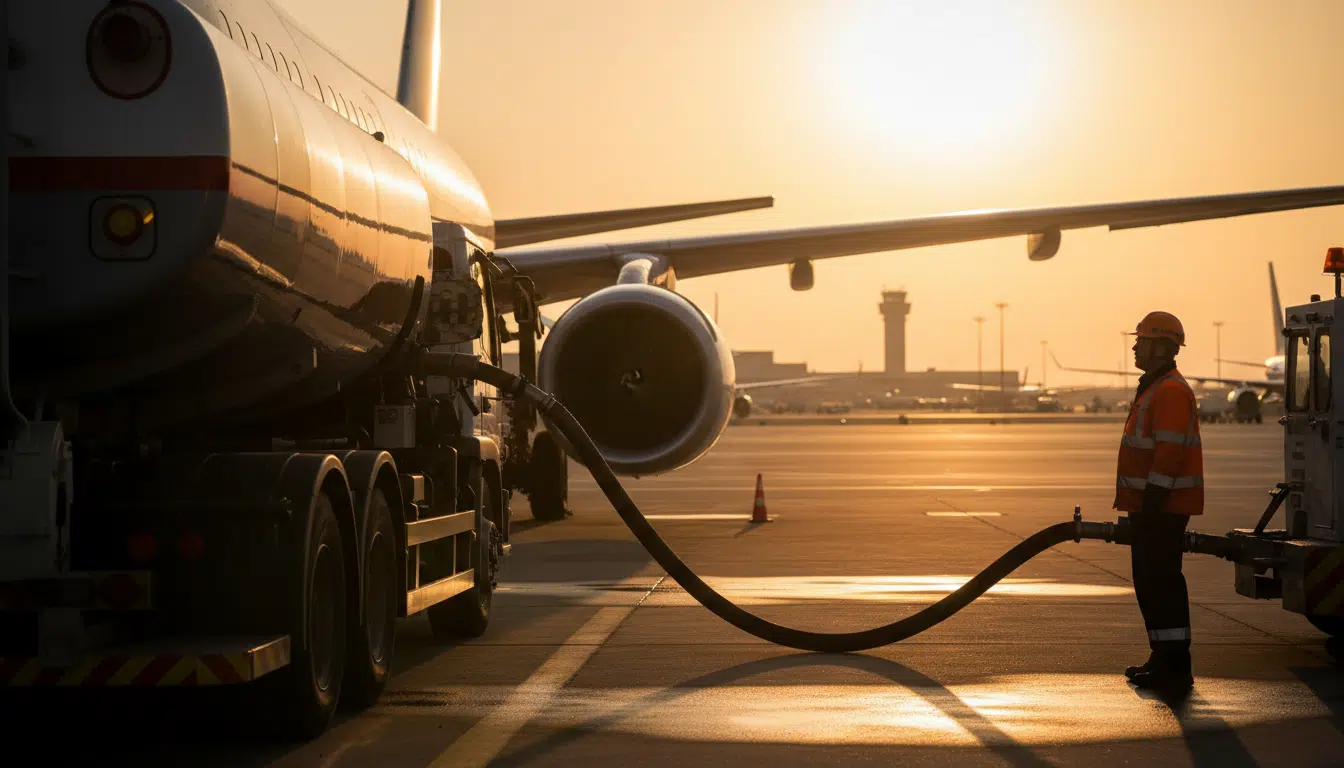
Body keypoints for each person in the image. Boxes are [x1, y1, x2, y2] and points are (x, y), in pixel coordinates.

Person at [1115, 311, 1203, 692]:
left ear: (1160, 347)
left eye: (1141, 340)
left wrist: (1153, 499)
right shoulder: (1154, 387)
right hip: (1151, 504)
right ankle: (1161, 656)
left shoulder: (1169, 391)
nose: (1134, 346)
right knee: (1149, 582)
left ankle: (1175, 665)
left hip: (1163, 506)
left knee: (1162, 582)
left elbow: (1169, 451)